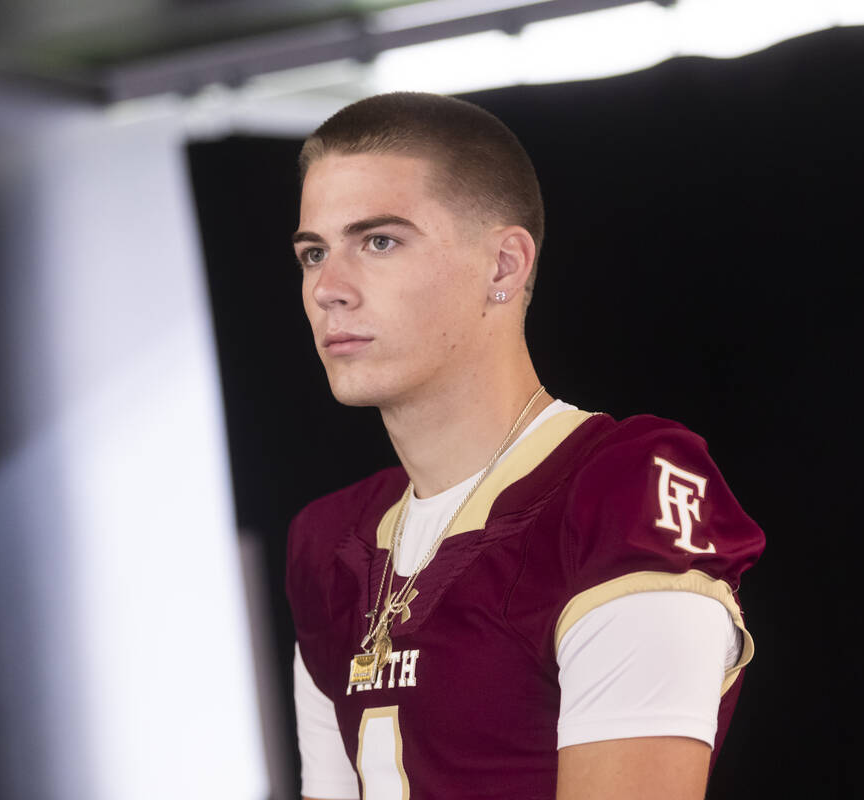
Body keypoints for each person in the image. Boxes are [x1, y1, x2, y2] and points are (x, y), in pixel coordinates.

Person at [285, 92, 765, 800]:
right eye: (313, 252)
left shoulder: (620, 489)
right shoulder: (330, 544)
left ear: (505, 267)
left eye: (379, 241)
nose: (328, 288)